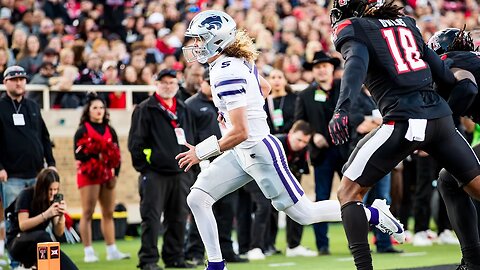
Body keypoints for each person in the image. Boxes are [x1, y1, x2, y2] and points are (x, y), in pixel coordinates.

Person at [177, 10, 402, 270]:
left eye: (199, 39)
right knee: (198, 198)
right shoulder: (231, 62)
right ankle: (216, 265)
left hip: (259, 151)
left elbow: (241, 132)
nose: (194, 45)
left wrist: (202, 152)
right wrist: (244, 110)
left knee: (305, 213)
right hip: (242, 151)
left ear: (215, 40)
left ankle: (374, 214)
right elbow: (265, 89)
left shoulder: (225, 72)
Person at [328, 0, 480, 269]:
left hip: (402, 121)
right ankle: (473, 263)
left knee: (348, 192)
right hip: (441, 121)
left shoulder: (355, 28)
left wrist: (342, 109)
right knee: (471, 185)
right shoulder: (408, 24)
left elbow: (355, 66)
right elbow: (445, 76)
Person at [128, 69, 196, 270]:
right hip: (155, 174)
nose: (168, 86)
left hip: (180, 173)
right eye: (164, 82)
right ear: (156, 84)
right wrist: (147, 169)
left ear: (177, 84)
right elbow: (135, 144)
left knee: (177, 218)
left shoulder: (183, 109)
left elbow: (190, 139)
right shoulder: (145, 109)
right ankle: (148, 260)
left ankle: (174, 257)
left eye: (172, 82)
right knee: (151, 218)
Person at [427, 28, 480, 269]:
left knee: (449, 179)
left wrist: (443, 120)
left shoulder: (452, 61)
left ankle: (472, 260)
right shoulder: (473, 58)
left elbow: (467, 86)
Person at [184, 68, 247, 265]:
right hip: (203, 160)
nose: (213, 85)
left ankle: (226, 250)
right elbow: (189, 136)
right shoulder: (191, 105)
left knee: (228, 210)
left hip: (229, 158)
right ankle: (195, 251)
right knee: (200, 204)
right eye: (209, 81)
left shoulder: (226, 101)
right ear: (201, 81)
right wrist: (199, 158)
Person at [295, 50, 347, 255]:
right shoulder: (306, 94)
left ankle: (358, 241)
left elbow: (356, 113)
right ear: (313, 71)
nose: (322, 70)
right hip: (321, 154)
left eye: (325, 66)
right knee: (321, 197)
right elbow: (300, 123)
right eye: (317, 67)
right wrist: (313, 135)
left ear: (332, 68)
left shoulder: (345, 88)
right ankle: (322, 245)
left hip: (346, 151)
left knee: (352, 197)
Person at [74, 93, 130, 263]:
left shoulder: (110, 130)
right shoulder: (82, 130)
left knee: (108, 212)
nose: (98, 111)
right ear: (88, 110)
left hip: (107, 176)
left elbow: (117, 155)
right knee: (88, 212)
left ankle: (111, 249)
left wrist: (116, 175)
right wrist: (97, 155)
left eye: (101, 107)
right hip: (89, 176)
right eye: (95, 108)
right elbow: (79, 155)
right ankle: (88, 251)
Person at [0, 65, 56, 214]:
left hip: (37, 174)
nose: (19, 83)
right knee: (14, 218)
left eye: (22, 79)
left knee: (41, 215)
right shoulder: (0, 107)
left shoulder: (33, 106)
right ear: (5, 82)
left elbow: (44, 136)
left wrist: (51, 163)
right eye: (14, 79)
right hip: (12, 176)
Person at [5, 168, 78, 269]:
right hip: (17, 242)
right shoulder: (26, 195)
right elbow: (23, 225)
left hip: (40, 243)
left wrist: (61, 216)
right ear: (42, 188)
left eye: (56, 189)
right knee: (44, 236)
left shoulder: (53, 199)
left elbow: (59, 232)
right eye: (50, 190)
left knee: (70, 267)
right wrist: (46, 214)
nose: (53, 193)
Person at [276, 120, 318, 257]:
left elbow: (300, 171)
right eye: (299, 140)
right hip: (269, 181)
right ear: (291, 133)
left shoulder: (304, 150)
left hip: (289, 180)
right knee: (265, 210)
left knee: (298, 205)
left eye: (305, 142)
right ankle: (261, 246)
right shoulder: (277, 144)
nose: (301, 145)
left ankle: (293, 245)